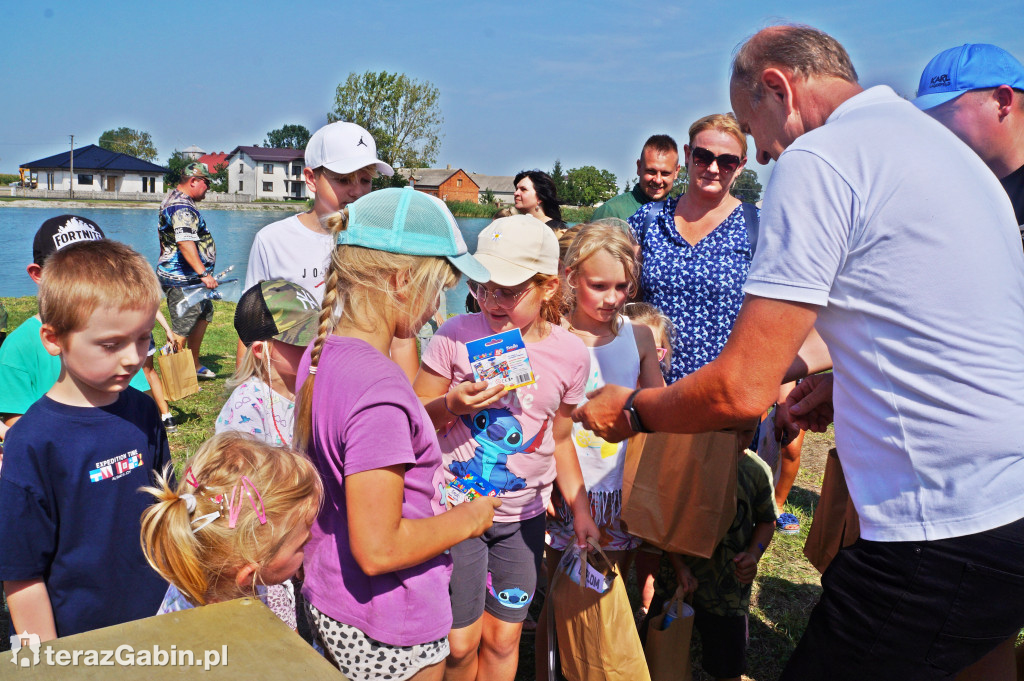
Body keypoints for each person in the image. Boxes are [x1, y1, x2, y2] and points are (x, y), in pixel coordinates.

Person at [575, 24, 1024, 681]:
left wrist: (635, 411)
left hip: (936, 525)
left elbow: (739, 392)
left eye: (755, 130)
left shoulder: (824, 156)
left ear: (779, 86)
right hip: (1008, 504)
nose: (760, 155)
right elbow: (908, 309)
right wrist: (827, 373)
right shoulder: (938, 149)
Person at [293, 187, 500, 681]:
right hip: (390, 621)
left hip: (329, 595)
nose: (439, 307)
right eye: (441, 288)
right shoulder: (380, 389)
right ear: (404, 281)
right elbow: (380, 548)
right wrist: (471, 520)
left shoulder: (321, 355)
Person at [414, 214, 600, 681]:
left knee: (503, 638)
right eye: (483, 286)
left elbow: (560, 438)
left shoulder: (571, 354)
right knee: (460, 643)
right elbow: (414, 421)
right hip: (456, 511)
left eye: (509, 291)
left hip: (524, 518)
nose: (491, 301)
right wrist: (451, 404)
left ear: (549, 287)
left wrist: (580, 509)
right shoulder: (455, 334)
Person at [0, 239, 171, 640]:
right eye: (111, 345)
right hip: (80, 636)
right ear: (54, 339)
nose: (133, 358)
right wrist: (47, 662)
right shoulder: (32, 443)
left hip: (162, 616)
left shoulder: (142, 412)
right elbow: (21, 574)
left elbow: (167, 508)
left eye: (144, 338)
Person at [535, 223, 664, 679]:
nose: (612, 298)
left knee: (609, 587)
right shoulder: (547, 337)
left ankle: (593, 666)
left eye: (622, 286)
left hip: (619, 491)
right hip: (566, 491)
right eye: (599, 286)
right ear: (570, 277)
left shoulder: (640, 338)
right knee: (560, 595)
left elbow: (658, 412)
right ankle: (553, 669)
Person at [140, 431, 323, 628]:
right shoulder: (244, 628)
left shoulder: (195, 578)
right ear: (249, 574)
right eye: (300, 544)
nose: (311, 538)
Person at [0, 215, 150, 429]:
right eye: (73, 271)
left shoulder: (119, 333)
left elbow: (139, 398)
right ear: (38, 274)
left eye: (101, 267)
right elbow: (16, 420)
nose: (91, 278)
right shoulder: (17, 347)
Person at [670, 445, 776, 681]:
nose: (737, 439)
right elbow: (668, 517)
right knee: (662, 649)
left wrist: (754, 554)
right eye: (728, 428)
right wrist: (678, 565)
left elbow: (767, 521)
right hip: (677, 580)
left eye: (747, 431)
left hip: (728, 592)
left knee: (727, 664)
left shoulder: (757, 470)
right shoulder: (686, 459)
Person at [915, 43, 1024, 232]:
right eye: (928, 117)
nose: (933, 128)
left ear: (1003, 101)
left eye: (946, 114)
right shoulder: (944, 193)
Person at [216, 279, 318, 446]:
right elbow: (239, 468)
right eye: (302, 337)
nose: (314, 344)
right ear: (260, 351)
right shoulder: (247, 404)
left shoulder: (317, 385)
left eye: (318, 332)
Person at [157, 161, 218, 379]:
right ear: (194, 181)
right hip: (182, 278)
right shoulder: (182, 207)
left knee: (203, 313)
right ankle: (174, 377)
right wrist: (203, 273)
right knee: (182, 326)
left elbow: (165, 236)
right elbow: (184, 242)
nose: (208, 188)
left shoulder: (174, 200)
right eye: (206, 183)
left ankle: (193, 363)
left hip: (188, 277)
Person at [592, 135, 681, 222]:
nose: (657, 180)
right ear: (639, 167)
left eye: (665, 173)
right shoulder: (611, 213)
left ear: (676, 172)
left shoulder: (681, 214)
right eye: (651, 171)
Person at [140, 309, 178, 432]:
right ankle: (167, 416)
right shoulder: (143, 289)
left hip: (121, 330)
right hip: (142, 329)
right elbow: (153, 306)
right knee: (149, 372)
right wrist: (168, 330)